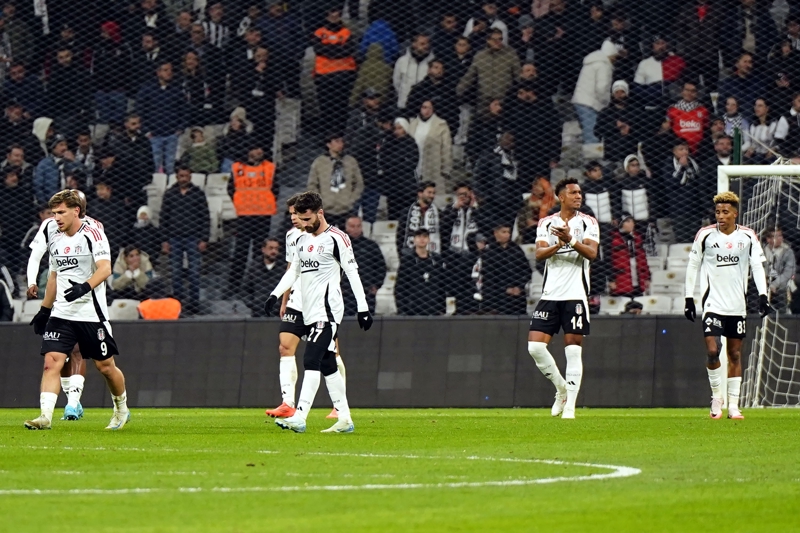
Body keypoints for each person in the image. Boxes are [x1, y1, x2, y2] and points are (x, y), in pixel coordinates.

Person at [264, 191, 373, 434]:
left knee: (310, 359)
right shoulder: (301, 239)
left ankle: (300, 417)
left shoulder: (337, 238)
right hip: (308, 311)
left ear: (320, 213)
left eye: (307, 219)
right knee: (327, 364)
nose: (303, 224)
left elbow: (352, 272)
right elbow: (294, 271)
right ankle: (345, 419)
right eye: (300, 219)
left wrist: (363, 308)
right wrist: (274, 295)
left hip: (328, 311)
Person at [25, 189, 130, 430]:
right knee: (52, 362)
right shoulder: (53, 234)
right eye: (54, 213)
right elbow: (54, 275)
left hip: (91, 314)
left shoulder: (93, 232)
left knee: (105, 367)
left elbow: (105, 269)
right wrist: (44, 310)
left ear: (76, 211)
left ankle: (121, 409)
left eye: (61, 212)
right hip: (61, 313)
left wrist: (84, 287)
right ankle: (45, 417)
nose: (56, 218)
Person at [683, 191, 773, 420]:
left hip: (737, 306)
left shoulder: (747, 236)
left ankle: (733, 405)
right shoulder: (705, 235)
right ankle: (716, 397)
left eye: (725, 212)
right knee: (713, 351)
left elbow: (757, 266)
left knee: (734, 354)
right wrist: (688, 298)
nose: (720, 216)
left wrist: (763, 295)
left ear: (735, 214)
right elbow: (693, 265)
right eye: (717, 212)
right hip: (712, 304)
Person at [530, 177, 600, 419]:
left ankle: (570, 406)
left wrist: (570, 239)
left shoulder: (589, 222)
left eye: (579, 192)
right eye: (573, 193)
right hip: (550, 294)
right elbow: (539, 254)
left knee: (573, 351)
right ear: (561, 197)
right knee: (535, 347)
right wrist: (559, 245)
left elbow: (591, 253)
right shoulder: (546, 222)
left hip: (575, 295)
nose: (578, 196)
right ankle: (561, 389)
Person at [227, 145, 278, 297]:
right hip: (244, 216)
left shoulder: (269, 167)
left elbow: (275, 189)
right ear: (248, 151)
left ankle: (256, 287)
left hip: (263, 215)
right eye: (255, 148)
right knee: (240, 251)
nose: (259, 151)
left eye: (260, 148)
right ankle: (234, 286)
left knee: (260, 251)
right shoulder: (237, 167)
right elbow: (231, 188)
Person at [159, 164, 210, 314]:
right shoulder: (170, 194)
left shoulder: (198, 194)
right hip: (174, 237)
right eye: (181, 176)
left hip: (193, 237)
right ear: (176, 176)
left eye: (186, 176)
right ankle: (178, 305)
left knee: (194, 273)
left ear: (190, 176)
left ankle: (194, 304)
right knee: (176, 273)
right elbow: (164, 217)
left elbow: (205, 217)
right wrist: (164, 240)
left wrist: (204, 239)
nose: (184, 179)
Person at [136, 61, 188, 174]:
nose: (169, 73)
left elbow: (184, 111)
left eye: (171, 70)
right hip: (153, 135)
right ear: (158, 72)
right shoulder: (147, 90)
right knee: (154, 165)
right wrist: (146, 131)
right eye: (165, 70)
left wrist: (180, 129)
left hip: (172, 135)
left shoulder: (177, 90)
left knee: (170, 166)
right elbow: (140, 111)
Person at [306, 133, 364, 229]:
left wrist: (351, 200)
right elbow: (312, 185)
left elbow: (359, 184)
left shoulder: (351, 161)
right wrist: (321, 201)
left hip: (346, 207)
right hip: (326, 208)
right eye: (337, 141)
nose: (340, 144)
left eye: (342, 141)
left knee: (346, 236)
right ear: (328, 144)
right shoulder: (319, 162)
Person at [571, 40, 618, 145]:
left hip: (581, 100)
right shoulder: (604, 66)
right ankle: (591, 154)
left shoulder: (591, 62)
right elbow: (602, 88)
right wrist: (605, 103)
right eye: (615, 57)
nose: (615, 60)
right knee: (592, 136)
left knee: (588, 132)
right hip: (589, 103)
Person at [481, 223, 531, 315]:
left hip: (516, 297)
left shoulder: (516, 250)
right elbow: (487, 277)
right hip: (496, 297)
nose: (507, 235)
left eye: (508, 232)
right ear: (495, 233)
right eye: (504, 232)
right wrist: (504, 289)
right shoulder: (489, 252)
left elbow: (526, 270)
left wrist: (519, 287)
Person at [395, 228, 447, 316]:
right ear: (414, 239)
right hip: (412, 309)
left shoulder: (437, 259)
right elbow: (400, 286)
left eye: (425, 236)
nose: (422, 239)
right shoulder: (407, 260)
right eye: (419, 236)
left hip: (433, 308)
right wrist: (402, 309)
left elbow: (441, 285)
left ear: (429, 239)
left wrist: (442, 308)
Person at [343, 215, 385, 315]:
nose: (356, 229)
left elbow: (381, 266)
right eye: (352, 226)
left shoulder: (371, 245)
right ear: (346, 227)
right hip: (345, 292)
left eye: (358, 226)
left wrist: (376, 286)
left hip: (367, 291)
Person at [609, 215, 651, 297]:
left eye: (632, 221)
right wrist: (611, 279)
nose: (632, 224)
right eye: (628, 221)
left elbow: (643, 259)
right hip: (621, 281)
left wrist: (647, 277)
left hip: (637, 278)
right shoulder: (613, 239)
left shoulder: (637, 238)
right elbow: (608, 260)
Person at [243, 238, 285, 317]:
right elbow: (245, 289)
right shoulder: (253, 267)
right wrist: (253, 305)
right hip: (258, 314)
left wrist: (281, 305)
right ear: (263, 249)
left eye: (276, 248)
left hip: (278, 314)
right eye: (271, 248)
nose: (274, 251)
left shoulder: (283, 268)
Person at [399, 181, 440, 254]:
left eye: (433, 193)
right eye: (429, 192)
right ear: (420, 193)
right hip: (410, 252)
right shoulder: (407, 212)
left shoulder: (438, 212)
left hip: (432, 252)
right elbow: (400, 234)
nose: (432, 195)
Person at [763, 228, 796, 313]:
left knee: (783, 289)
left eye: (780, 236)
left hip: (781, 279)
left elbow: (788, 272)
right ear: (768, 239)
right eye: (776, 236)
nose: (780, 238)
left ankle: (782, 314)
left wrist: (774, 284)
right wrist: (765, 281)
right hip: (765, 279)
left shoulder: (788, 251)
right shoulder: (762, 250)